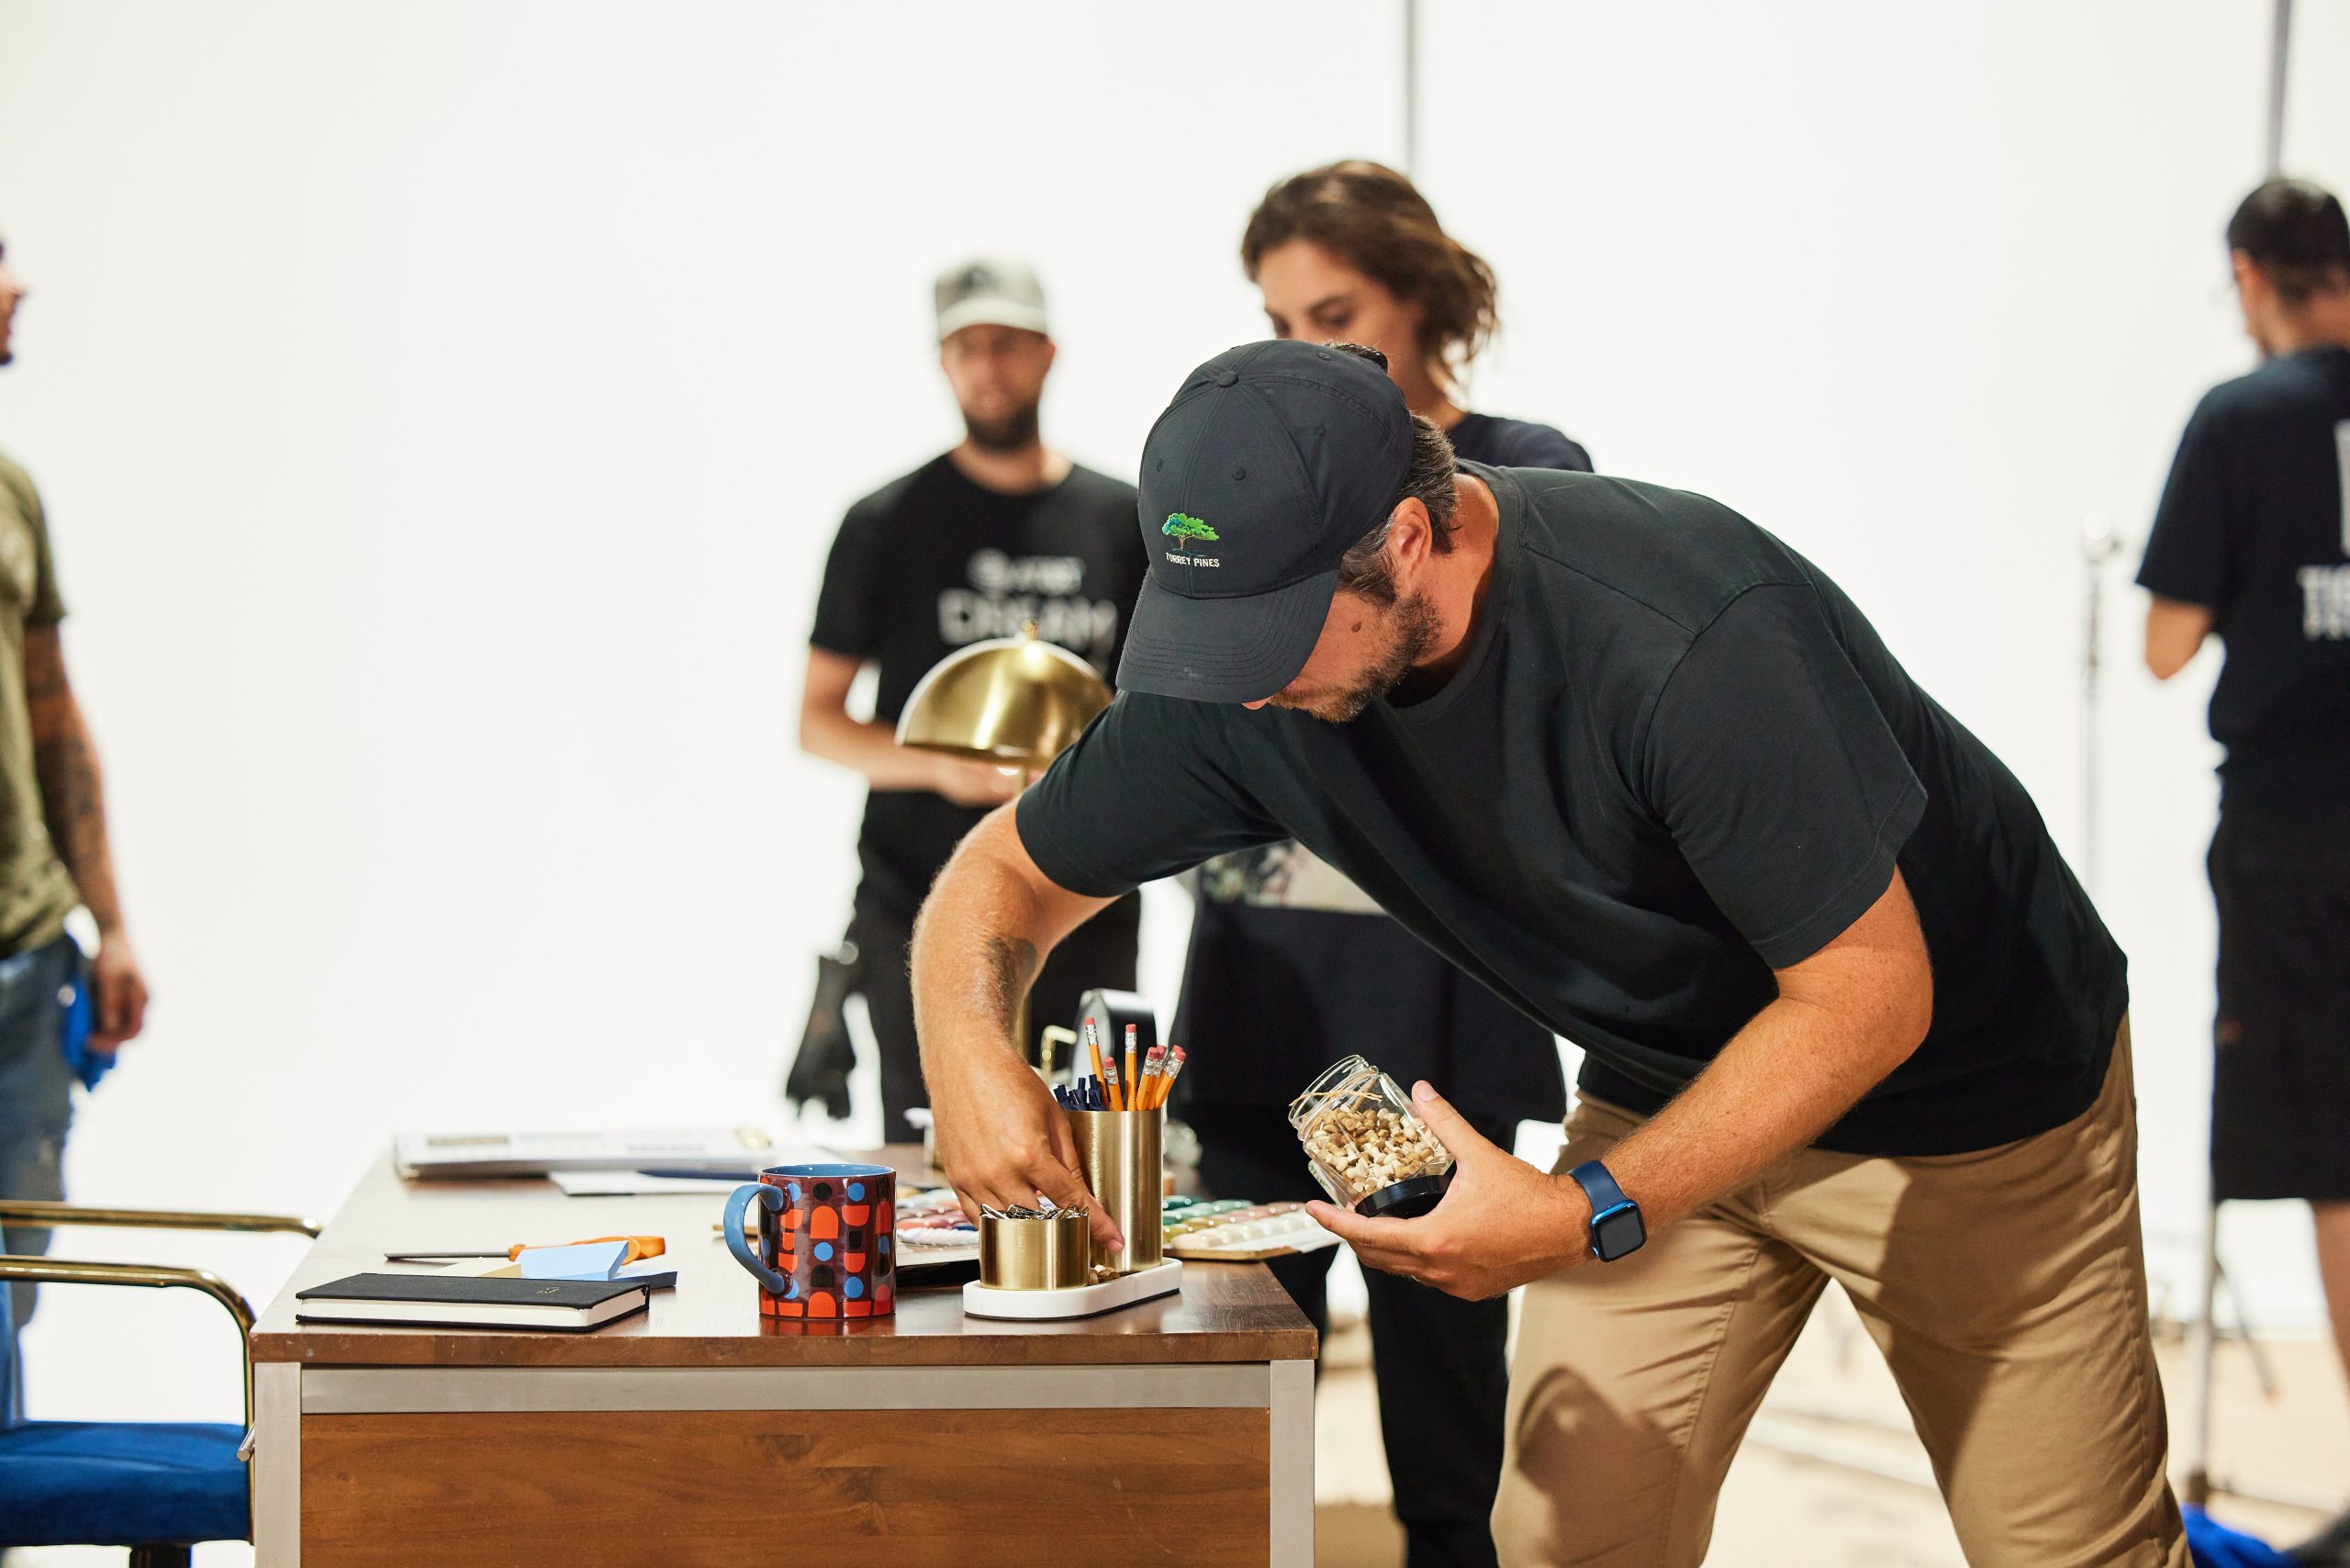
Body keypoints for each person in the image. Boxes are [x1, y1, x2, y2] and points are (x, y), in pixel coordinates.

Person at [912, 339, 2187, 1566]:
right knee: (1569, 1542)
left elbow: (1869, 994)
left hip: (1970, 1097)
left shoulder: (1681, 635)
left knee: (2070, 1554)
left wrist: (1588, 1211)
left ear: (1407, 540)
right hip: (1672, 1081)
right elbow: (1002, 874)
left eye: (1272, 634)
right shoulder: (1240, 689)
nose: (1240, 686)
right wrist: (965, 1049)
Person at [1173, 161, 1590, 1568]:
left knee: (1442, 1416)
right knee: (1235, 1390)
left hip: (1422, 1019)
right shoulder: (1245, 486)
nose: (1314, 351)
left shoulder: (1521, 471)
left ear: (1423, 297)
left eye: (1338, 313)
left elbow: (1529, 735)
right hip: (1259, 994)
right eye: (1281, 322)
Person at [799, 257, 1146, 1146]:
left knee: (1091, 1150)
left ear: (1048, 353)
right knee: (938, 1154)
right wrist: (942, 770)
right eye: (967, 348)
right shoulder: (885, 522)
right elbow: (818, 719)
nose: (988, 367)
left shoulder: (1123, 519)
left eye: (1007, 344)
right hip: (920, 897)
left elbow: (1165, 708)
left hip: (1085, 890)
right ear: (943, 362)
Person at [2139, 176, 2350, 1568]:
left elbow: (2166, 645)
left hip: (2299, 833)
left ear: (2248, 278)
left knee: (2340, 1160)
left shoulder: (2240, 418)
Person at [0, 231, 152, 1325]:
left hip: (24, 955)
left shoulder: (12, 493)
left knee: (11, 1296)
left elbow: (51, 711)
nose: (18, 284)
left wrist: (113, 925)